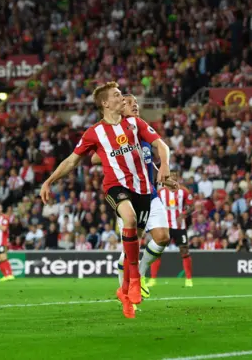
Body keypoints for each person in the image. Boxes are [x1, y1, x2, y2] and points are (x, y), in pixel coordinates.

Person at [40, 82, 177, 319]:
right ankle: (135, 279)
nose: (121, 98)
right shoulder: (94, 133)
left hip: (144, 190)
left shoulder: (134, 123)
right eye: (116, 95)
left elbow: (161, 145)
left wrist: (164, 165)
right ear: (105, 103)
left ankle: (125, 292)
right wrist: (49, 181)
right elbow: (73, 160)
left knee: (148, 233)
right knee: (129, 218)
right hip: (116, 188)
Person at [91, 94, 171, 299]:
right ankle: (125, 292)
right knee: (132, 244)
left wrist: (163, 174)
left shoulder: (139, 128)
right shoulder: (114, 131)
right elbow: (93, 157)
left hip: (150, 193)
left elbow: (150, 159)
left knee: (163, 237)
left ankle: (140, 273)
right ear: (118, 107)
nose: (135, 105)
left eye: (137, 102)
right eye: (129, 103)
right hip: (128, 194)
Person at [150, 185, 194, 287]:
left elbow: (191, 206)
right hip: (164, 226)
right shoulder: (160, 192)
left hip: (179, 227)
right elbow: (153, 206)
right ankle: (153, 279)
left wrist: (183, 214)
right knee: (157, 252)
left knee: (184, 251)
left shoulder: (183, 191)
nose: (172, 177)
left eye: (174, 175)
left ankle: (188, 279)